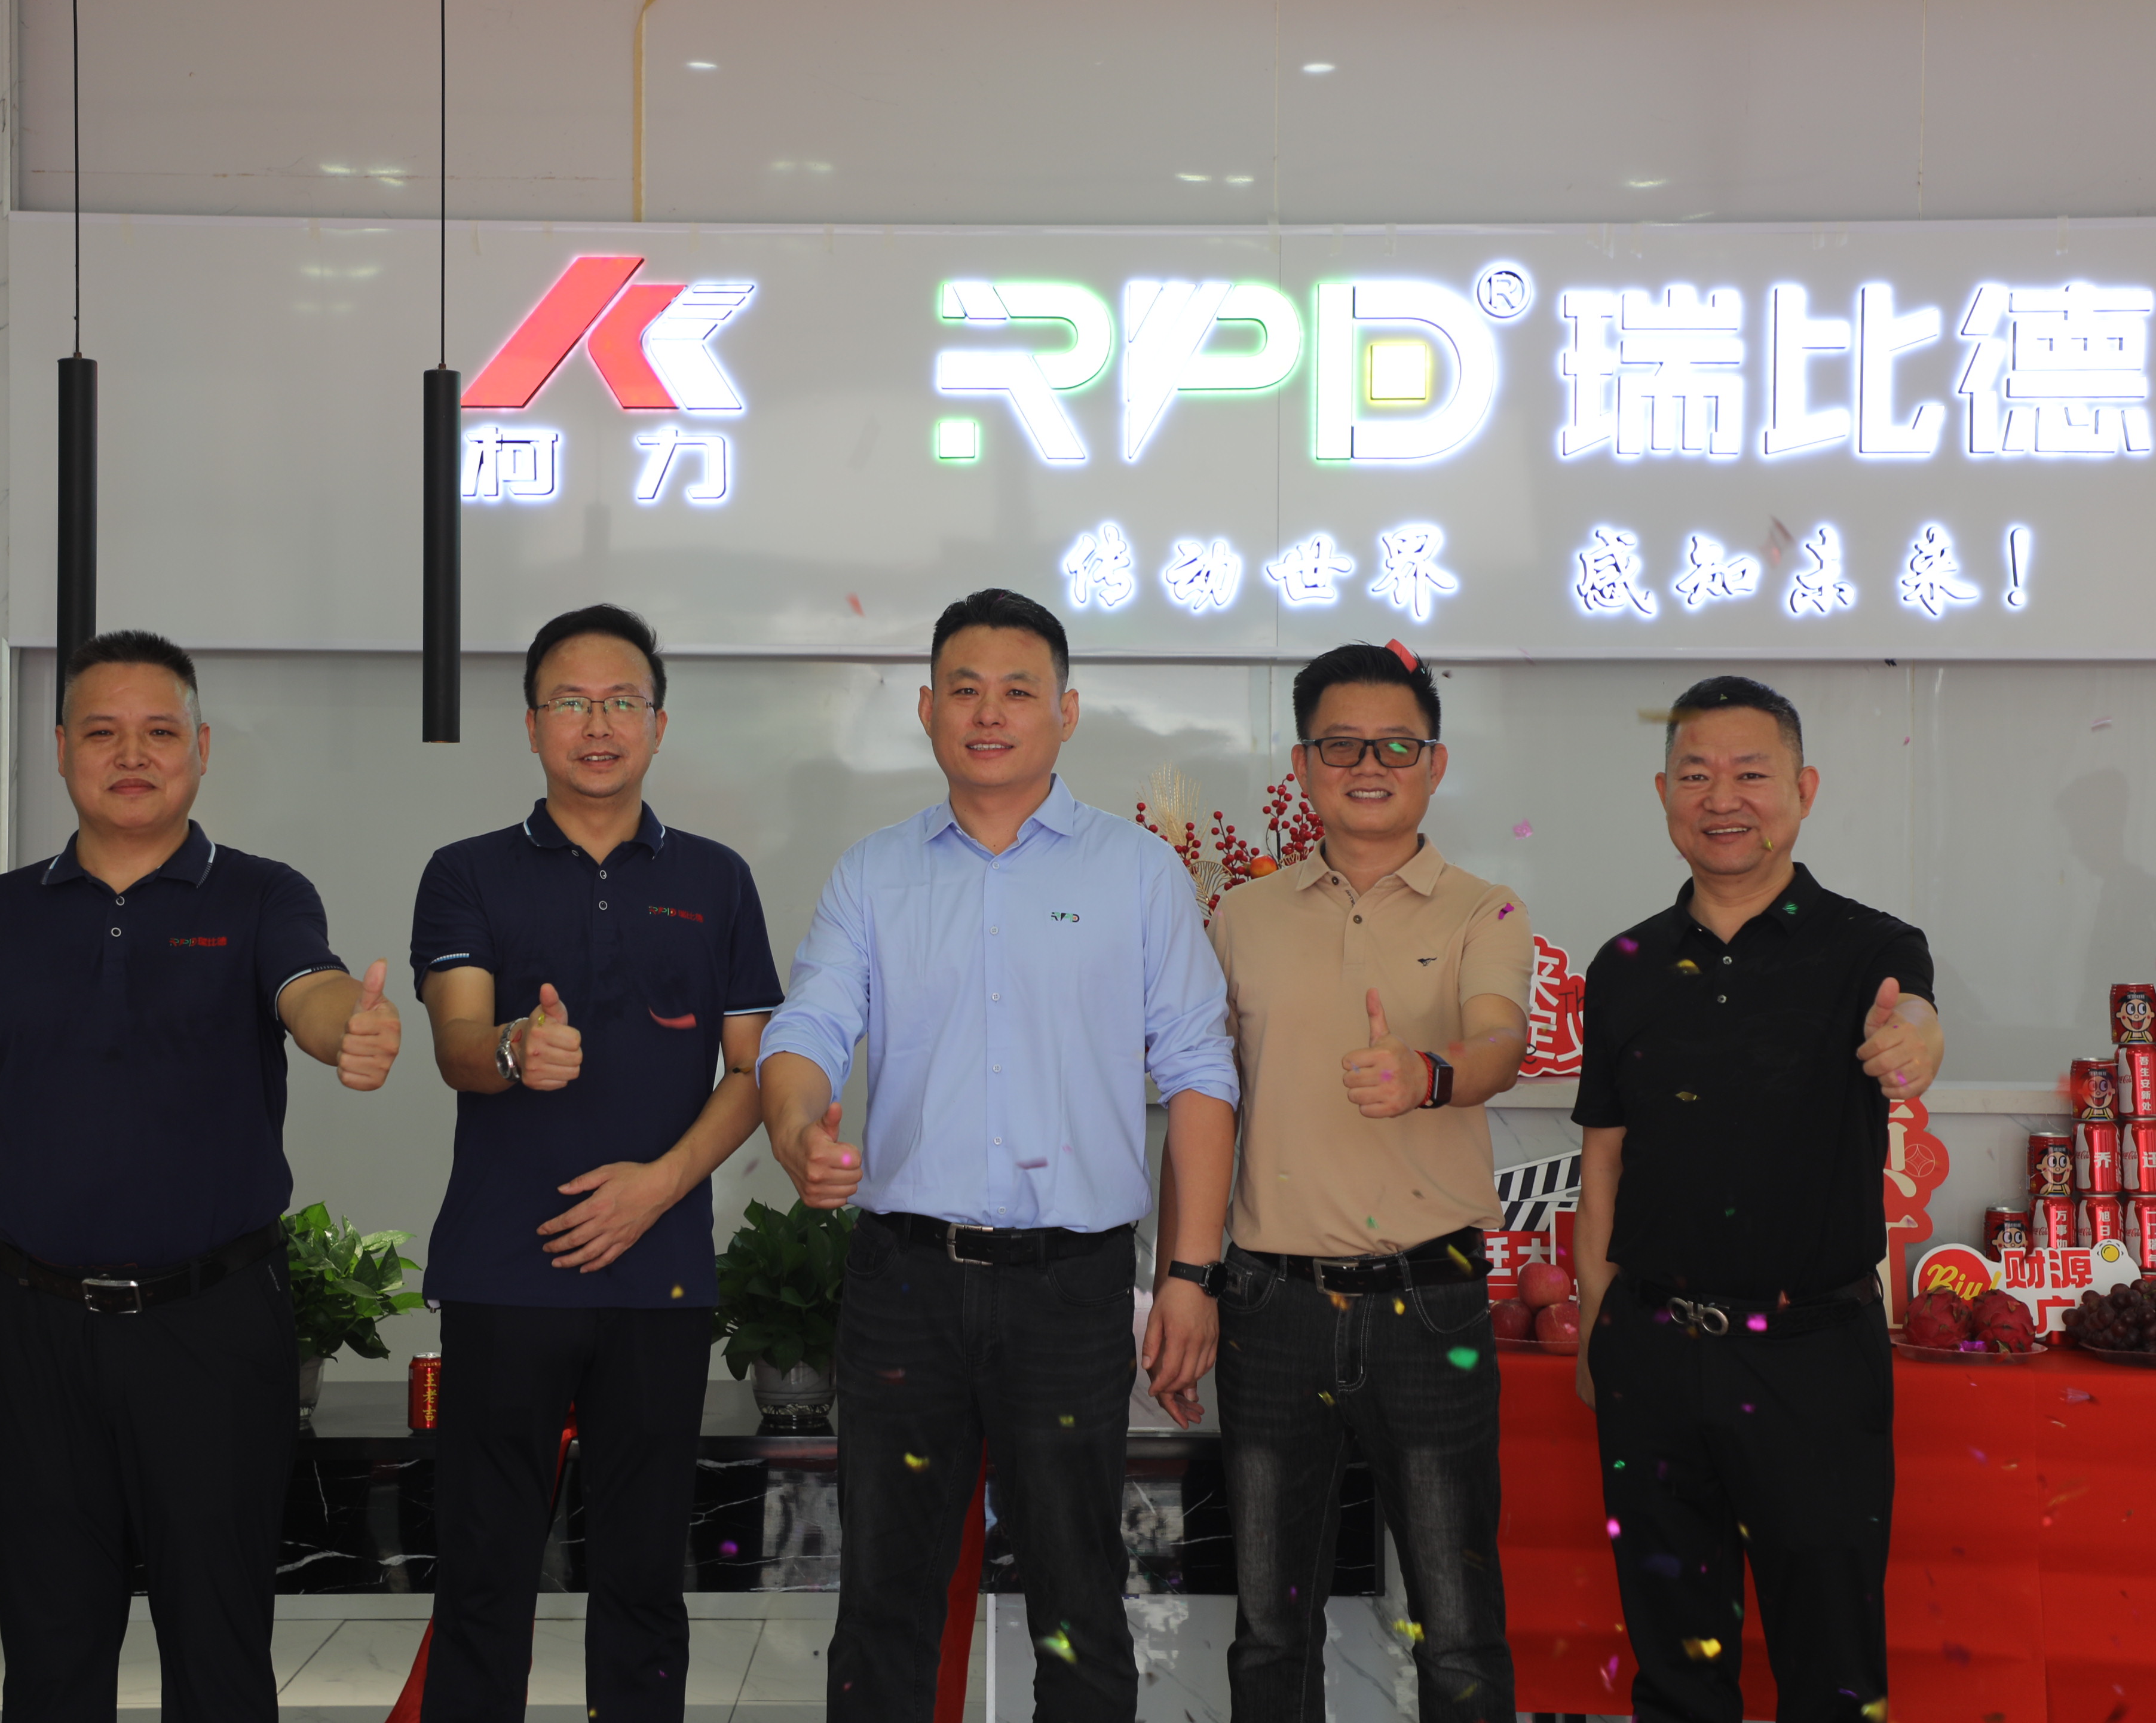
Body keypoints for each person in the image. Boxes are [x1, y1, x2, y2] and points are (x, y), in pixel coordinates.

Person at [0, 629, 402, 1723]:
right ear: (62, 749)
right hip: (35, 1327)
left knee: (219, 1652)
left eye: (160, 732)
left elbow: (311, 988)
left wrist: (347, 1032)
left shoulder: (262, 896)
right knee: (50, 1654)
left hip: (213, 1327)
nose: (133, 755)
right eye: (103, 732)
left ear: (202, 750)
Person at [757, 587, 1239, 1723]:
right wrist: (795, 1128)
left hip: (1069, 1290)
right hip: (904, 1284)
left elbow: (1200, 1074)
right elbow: (807, 1029)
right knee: (885, 1596)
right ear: (926, 709)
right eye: (964, 690)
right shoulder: (874, 873)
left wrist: (1190, 1274)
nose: (989, 713)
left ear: (1066, 711)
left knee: (1078, 1595)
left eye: (1018, 691)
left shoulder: (1137, 874)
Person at [411, 603, 782, 1723]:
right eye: (570, 702)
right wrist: (514, 1051)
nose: (599, 724)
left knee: (642, 1580)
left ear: (659, 724)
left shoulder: (717, 880)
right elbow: (457, 1043)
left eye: (623, 701)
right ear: (532, 725)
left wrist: (660, 1186)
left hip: (657, 1279)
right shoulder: (467, 873)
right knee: (484, 1579)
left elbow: (753, 1071)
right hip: (503, 1274)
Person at [1571, 675, 1943, 1723]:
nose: (1722, 798)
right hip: (1654, 1351)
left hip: (1813, 1359)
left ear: (1803, 790)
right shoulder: (1626, 964)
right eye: (1696, 775)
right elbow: (1605, 1162)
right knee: (1675, 1671)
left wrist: (1914, 1041)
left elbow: (1915, 1017)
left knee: (1832, 1670)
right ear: (1663, 794)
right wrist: (1600, 1331)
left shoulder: (1871, 947)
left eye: (1751, 774)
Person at [1202, 641, 1530, 1723]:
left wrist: (1429, 1074)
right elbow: (1204, 1104)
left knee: (1458, 1623)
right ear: (1303, 765)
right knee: (1270, 1625)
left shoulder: (1485, 910)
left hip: (1430, 1305)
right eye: (1341, 745)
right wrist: (1188, 1282)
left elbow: (1500, 1042)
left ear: (1435, 764)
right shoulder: (1241, 918)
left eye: (1397, 745)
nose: (1369, 766)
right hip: (1272, 1305)